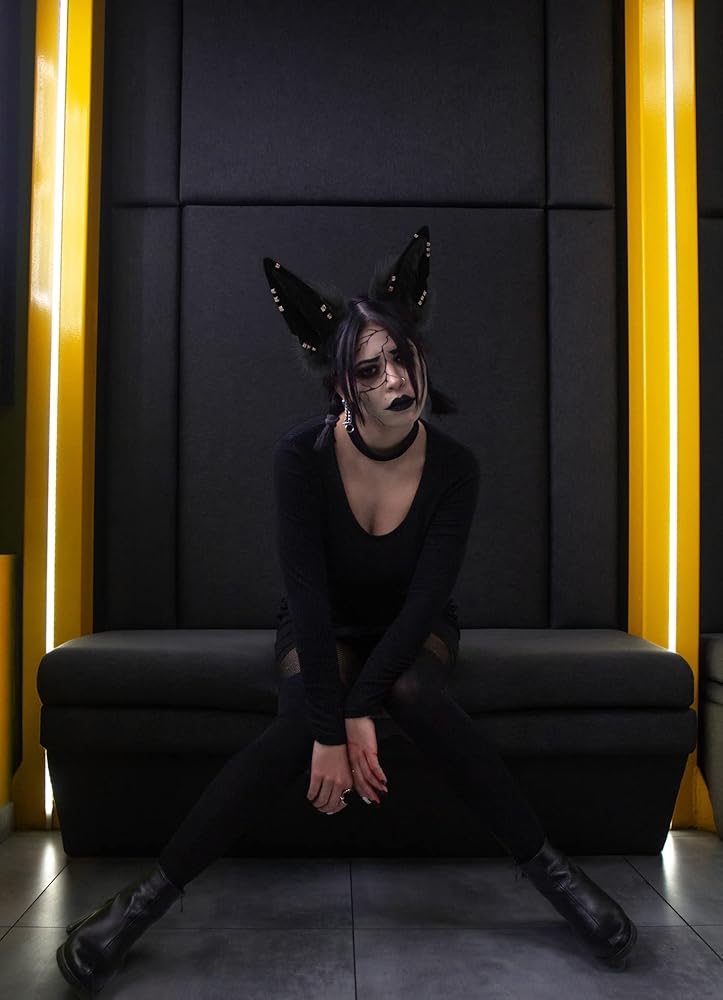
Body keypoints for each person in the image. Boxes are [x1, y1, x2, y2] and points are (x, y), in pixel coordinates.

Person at [56, 225, 636, 996]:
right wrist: (328, 728)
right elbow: (306, 594)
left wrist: (357, 710)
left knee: (414, 690)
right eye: (371, 368)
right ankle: (137, 908)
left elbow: (426, 599)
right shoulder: (299, 457)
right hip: (321, 625)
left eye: (403, 355)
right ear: (342, 387)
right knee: (303, 712)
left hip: (414, 629)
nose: (396, 377)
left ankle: (559, 882)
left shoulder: (454, 467)